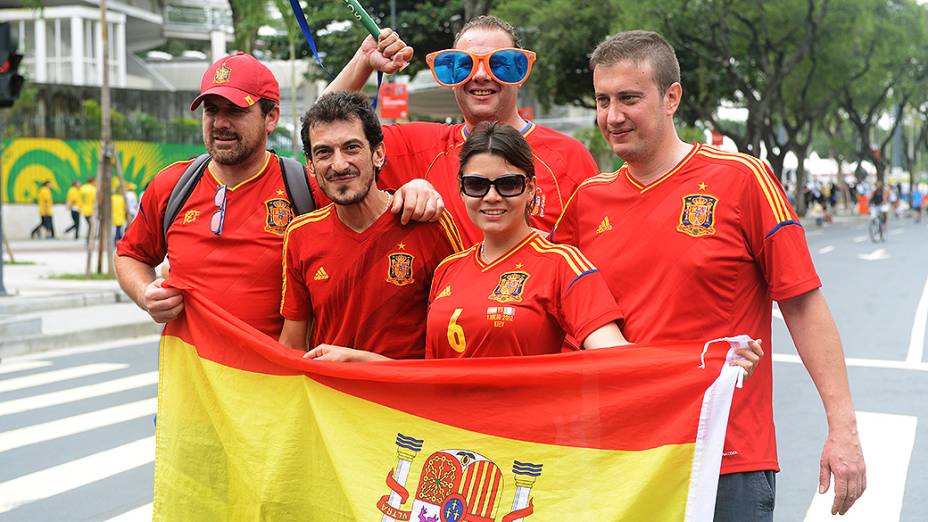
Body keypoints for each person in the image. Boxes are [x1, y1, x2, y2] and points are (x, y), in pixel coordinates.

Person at [551, 30, 865, 519]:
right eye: (603, 100)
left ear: (672, 97)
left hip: (725, 458)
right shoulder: (586, 202)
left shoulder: (741, 178)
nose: (612, 116)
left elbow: (803, 303)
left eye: (629, 98)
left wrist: (842, 428)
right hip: (619, 457)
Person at [307, 123, 763, 376]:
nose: (491, 197)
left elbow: (616, 355)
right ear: (461, 191)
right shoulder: (448, 269)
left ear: (531, 191)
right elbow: (434, 377)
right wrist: (361, 360)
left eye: (507, 184)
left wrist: (701, 359)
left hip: (530, 456)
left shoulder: (562, 264)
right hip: (451, 452)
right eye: (475, 184)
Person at [115, 53, 441, 338]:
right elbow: (131, 254)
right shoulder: (173, 184)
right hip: (194, 392)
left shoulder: (304, 185)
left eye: (235, 110)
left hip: (272, 390)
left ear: (271, 118)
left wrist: (417, 188)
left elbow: (362, 186)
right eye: (212, 110)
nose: (220, 123)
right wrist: (146, 293)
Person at [326, 15, 600, 246]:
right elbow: (324, 132)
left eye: (500, 64)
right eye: (464, 65)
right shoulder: (418, 147)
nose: (480, 75)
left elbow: (594, 255)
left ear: (520, 71)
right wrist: (363, 60)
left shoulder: (569, 157)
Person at [278, 91, 463, 357]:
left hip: (405, 398)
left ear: (378, 154)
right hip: (329, 396)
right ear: (310, 164)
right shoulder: (300, 235)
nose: (339, 165)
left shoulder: (428, 224)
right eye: (324, 153)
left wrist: (366, 365)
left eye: (351, 148)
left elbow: (455, 341)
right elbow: (293, 345)